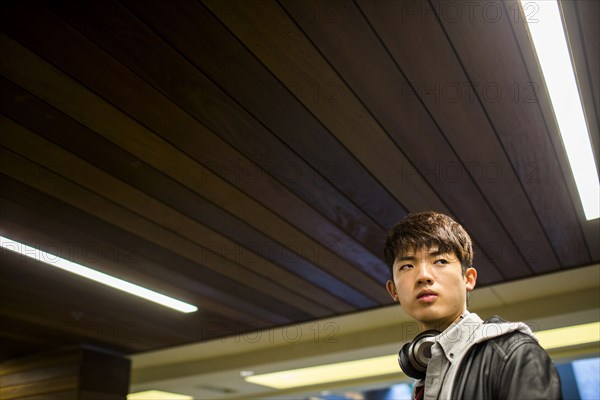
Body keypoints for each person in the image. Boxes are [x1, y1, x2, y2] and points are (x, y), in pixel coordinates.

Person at [384, 211, 561, 399]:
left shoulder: (514, 352)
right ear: (393, 290)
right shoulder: (424, 379)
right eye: (407, 266)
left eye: (440, 261)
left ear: (468, 279)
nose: (423, 276)